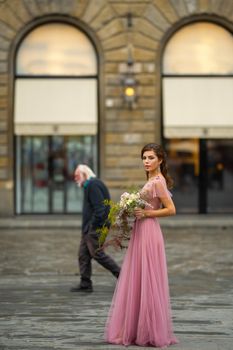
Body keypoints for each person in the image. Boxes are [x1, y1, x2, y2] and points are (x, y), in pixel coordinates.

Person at [105, 143, 178, 347]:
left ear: (160, 160)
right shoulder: (152, 180)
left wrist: (146, 213)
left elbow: (171, 209)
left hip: (149, 231)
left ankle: (150, 332)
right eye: (144, 158)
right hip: (142, 230)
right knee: (139, 278)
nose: (146, 161)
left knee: (148, 279)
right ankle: (139, 329)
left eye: (151, 158)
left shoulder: (157, 181)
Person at [70, 164, 120, 293]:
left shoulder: (93, 185)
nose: (75, 179)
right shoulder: (90, 186)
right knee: (83, 255)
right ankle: (85, 283)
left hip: (96, 227)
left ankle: (122, 276)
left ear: (85, 175)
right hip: (89, 228)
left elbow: (100, 209)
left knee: (97, 254)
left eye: (76, 176)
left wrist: (92, 226)